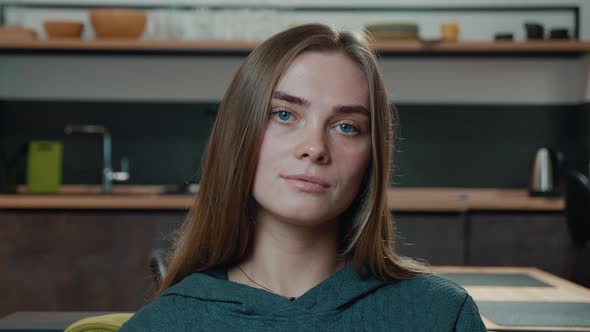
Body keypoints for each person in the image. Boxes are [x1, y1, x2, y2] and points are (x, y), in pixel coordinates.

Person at [119, 23, 487, 331]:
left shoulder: (440, 316)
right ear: (239, 134)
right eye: (284, 115)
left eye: (346, 126)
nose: (314, 147)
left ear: (372, 156)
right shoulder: (162, 324)